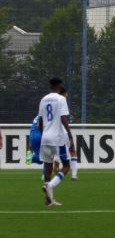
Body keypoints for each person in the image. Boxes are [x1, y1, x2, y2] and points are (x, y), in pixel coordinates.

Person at [39, 77, 74, 207]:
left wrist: (45, 134)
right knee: (66, 166)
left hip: (45, 138)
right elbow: (63, 118)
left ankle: (49, 200)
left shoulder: (43, 99)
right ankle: (50, 185)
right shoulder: (61, 99)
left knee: (47, 167)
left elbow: (40, 122)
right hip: (57, 138)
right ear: (60, 86)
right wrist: (70, 135)